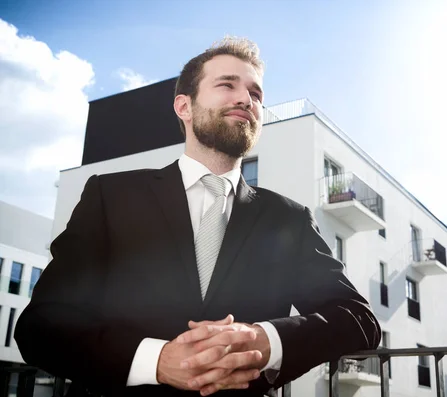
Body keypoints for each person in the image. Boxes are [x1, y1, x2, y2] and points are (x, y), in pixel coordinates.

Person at [15, 37, 381, 397]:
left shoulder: (288, 219)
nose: (246, 99)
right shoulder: (110, 197)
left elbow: (359, 319)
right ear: (184, 107)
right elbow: (41, 325)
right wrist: (156, 360)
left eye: (256, 94)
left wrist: (266, 340)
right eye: (227, 85)